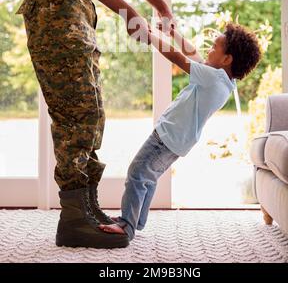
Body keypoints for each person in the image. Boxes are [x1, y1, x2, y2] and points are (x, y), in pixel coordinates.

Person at [15, 0, 174, 249]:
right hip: (55, 10)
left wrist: (158, 4)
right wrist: (129, 13)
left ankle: (85, 207)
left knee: (92, 110)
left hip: (78, 13)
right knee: (76, 112)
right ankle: (73, 220)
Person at [99, 23, 261, 242]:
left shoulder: (212, 78)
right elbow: (192, 52)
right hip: (177, 140)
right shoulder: (223, 81)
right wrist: (173, 33)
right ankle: (135, 220)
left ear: (227, 59)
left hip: (167, 137)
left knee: (137, 173)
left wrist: (151, 38)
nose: (209, 50)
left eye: (215, 46)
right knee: (148, 177)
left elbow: (179, 58)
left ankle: (127, 225)